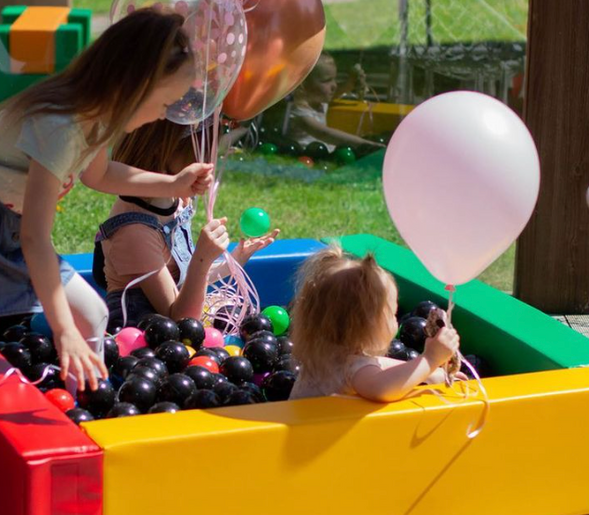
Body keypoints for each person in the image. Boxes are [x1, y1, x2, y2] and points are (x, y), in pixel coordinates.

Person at [0, 10, 213, 470]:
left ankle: (87, 424)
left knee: (94, 313)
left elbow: (98, 174)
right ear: (136, 85)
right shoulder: (63, 124)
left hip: (10, 220)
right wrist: (62, 333)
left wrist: (173, 184)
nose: (164, 115)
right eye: (164, 104)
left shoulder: (99, 113)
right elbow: (37, 240)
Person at [95, 117, 279, 330]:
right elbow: (181, 319)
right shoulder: (135, 233)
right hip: (141, 335)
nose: (210, 163)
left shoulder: (177, 200)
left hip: (176, 324)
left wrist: (236, 258)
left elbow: (183, 282)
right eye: (201, 153)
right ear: (163, 150)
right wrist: (202, 258)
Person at [289, 245, 461, 403]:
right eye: (393, 314)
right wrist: (430, 359)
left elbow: (378, 364)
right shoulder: (356, 371)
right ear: (368, 326)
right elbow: (383, 389)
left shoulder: (321, 350)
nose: (397, 320)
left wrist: (429, 374)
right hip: (317, 434)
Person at [286, 52, 377, 154]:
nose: (334, 85)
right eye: (327, 81)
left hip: (323, 152)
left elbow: (335, 94)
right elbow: (323, 133)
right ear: (302, 84)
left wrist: (350, 82)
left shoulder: (319, 101)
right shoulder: (298, 112)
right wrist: (367, 145)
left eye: (334, 79)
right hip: (305, 157)